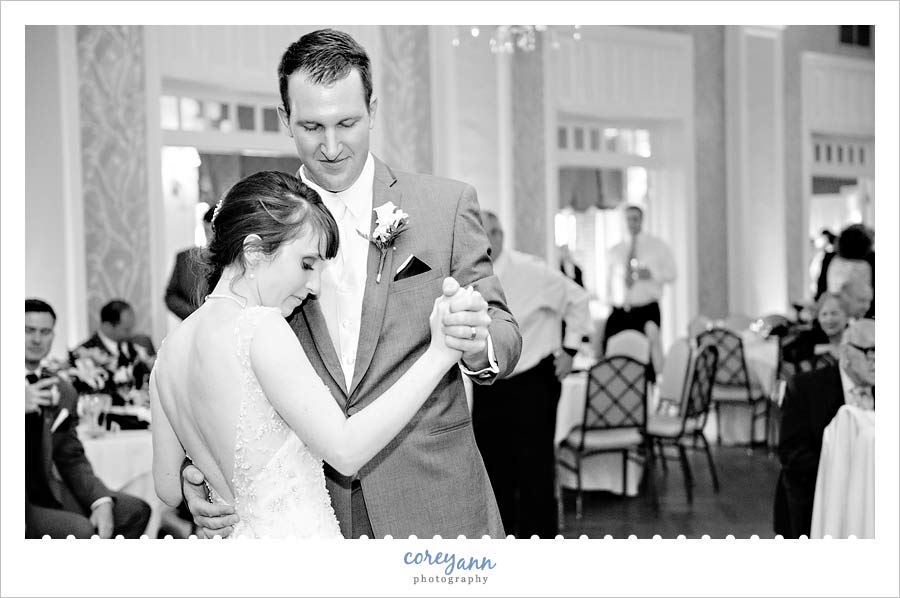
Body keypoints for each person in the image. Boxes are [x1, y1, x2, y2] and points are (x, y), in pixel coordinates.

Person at [179, 29, 522, 540]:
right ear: (284, 119)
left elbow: (505, 336)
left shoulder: (445, 207)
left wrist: (476, 342)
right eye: (312, 126)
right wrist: (200, 470)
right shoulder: (253, 219)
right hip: (307, 507)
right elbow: (216, 354)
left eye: (348, 123)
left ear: (373, 109)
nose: (332, 146)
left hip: (433, 499)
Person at [153, 171, 480, 538]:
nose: (313, 286)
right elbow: (344, 448)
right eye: (307, 264)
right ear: (254, 252)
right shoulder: (260, 327)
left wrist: (195, 474)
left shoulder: (168, 351)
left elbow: (166, 487)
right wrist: (439, 354)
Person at [473, 211, 591, 538]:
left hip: (532, 384)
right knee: (494, 471)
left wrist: (569, 351)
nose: (487, 239)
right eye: (480, 232)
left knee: (535, 473)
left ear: (501, 236)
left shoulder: (531, 271)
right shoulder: (468, 274)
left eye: (493, 232)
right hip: (489, 384)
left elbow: (579, 300)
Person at [25, 299, 151, 538]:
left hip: (52, 490)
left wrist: (99, 499)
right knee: (82, 531)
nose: (36, 339)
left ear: (53, 336)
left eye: (44, 332)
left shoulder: (63, 390)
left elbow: (71, 456)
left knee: (134, 510)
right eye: (28, 330)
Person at [777, 318, 874, 538]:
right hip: (813, 500)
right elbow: (792, 455)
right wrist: (848, 472)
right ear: (846, 353)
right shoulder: (805, 388)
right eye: (870, 351)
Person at [603, 204, 676, 375]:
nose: (631, 223)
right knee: (614, 353)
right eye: (628, 219)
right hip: (621, 310)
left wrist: (652, 274)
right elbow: (609, 281)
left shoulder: (657, 246)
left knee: (648, 356)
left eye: (635, 219)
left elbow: (672, 274)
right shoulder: (616, 250)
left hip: (646, 309)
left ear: (642, 220)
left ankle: (650, 390)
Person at [73, 300, 153, 409]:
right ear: (107, 326)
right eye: (126, 329)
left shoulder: (134, 348)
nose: (131, 332)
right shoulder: (84, 353)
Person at [165, 204, 216, 320]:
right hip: (191, 323)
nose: (210, 237)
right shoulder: (185, 258)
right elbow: (171, 295)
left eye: (213, 231)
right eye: (207, 231)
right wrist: (193, 314)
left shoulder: (235, 260)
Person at [816, 223, 874, 318]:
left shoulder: (832, 260)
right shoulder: (868, 263)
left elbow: (822, 288)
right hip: (850, 314)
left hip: (836, 313)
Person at [781, 292, 849, 370]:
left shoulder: (856, 336)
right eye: (824, 314)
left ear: (847, 316)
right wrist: (828, 348)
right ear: (818, 317)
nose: (829, 319)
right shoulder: (809, 336)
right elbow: (787, 353)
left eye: (834, 313)